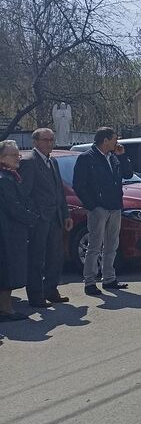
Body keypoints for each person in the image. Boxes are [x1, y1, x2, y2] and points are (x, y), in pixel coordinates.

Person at [72, 127, 134, 295]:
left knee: (112, 244)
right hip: (98, 209)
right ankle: (90, 282)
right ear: (105, 140)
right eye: (114, 139)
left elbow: (128, 174)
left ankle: (109, 278)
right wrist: (92, 206)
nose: (117, 142)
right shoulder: (87, 158)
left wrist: (122, 156)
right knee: (94, 245)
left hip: (115, 206)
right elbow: (79, 185)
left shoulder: (114, 157)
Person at [20, 128, 72, 307]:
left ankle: (51, 289)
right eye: (45, 140)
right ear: (35, 142)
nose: (49, 143)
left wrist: (65, 214)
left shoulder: (53, 162)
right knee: (36, 258)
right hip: (39, 218)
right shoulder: (28, 162)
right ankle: (35, 295)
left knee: (55, 257)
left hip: (55, 217)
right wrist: (34, 215)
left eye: (52, 140)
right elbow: (24, 194)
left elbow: (60, 192)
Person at [0, 140, 38, 321]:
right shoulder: (4, 179)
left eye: (18, 154)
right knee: (7, 269)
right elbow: (13, 206)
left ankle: (6, 308)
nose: (18, 158)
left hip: (11, 231)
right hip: (7, 232)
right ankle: (6, 309)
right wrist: (31, 218)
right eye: (14, 155)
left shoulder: (11, 176)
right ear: (2, 158)